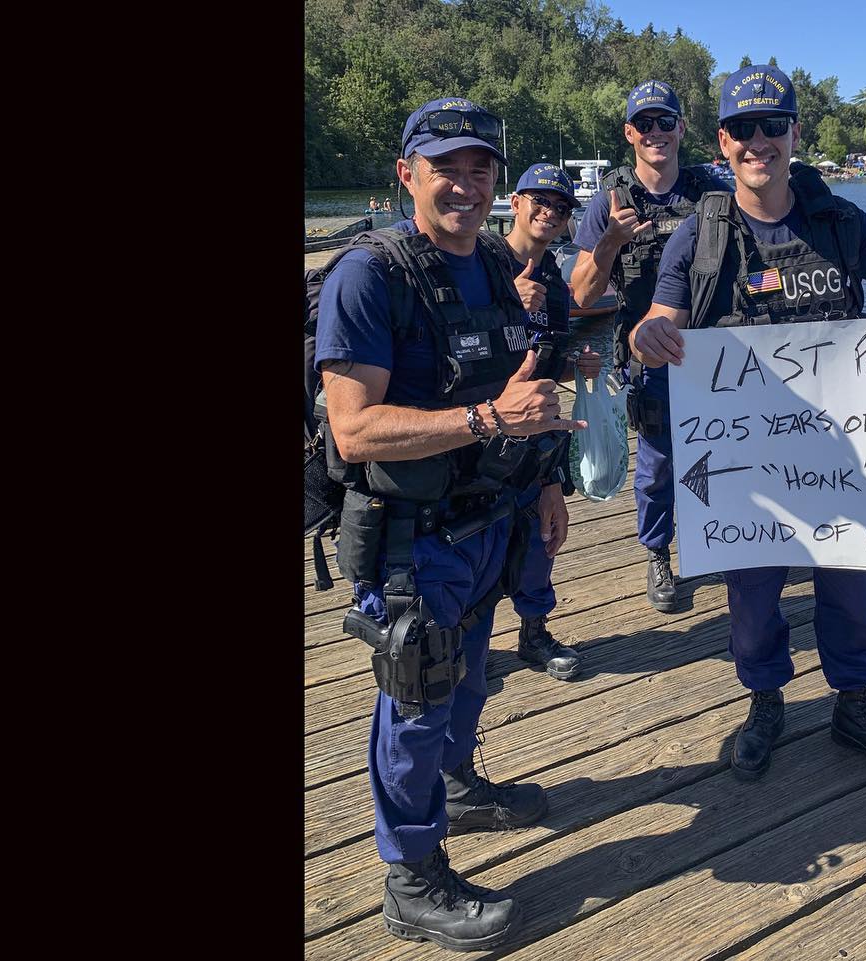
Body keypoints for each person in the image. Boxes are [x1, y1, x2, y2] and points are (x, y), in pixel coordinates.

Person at [629, 65, 866, 784]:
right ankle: (765, 702)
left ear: (794, 133)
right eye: (743, 128)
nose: (758, 141)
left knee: (852, 589)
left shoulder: (839, 222)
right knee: (752, 598)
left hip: (843, 457)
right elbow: (656, 323)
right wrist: (647, 337)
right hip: (747, 469)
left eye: (773, 125)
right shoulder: (699, 238)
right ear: (722, 141)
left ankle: (856, 703)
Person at [314, 97, 587, 951]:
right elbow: (354, 429)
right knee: (417, 699)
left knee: (468, 681)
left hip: (488, 521)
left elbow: (523, 385)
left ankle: (460, 787)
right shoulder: (370, 276)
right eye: (446, 169)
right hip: (411, 539)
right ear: (407, 175)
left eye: (480, 169)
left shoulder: (498, 268)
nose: (465, 186)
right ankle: (410, 878)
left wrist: (545, 480)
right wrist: (487, 420)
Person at [571, 79, 730, 615]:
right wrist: (611, 240)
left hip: (713, 354)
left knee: (723, 452)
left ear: (682, 128)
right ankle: (658, 552)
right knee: (658, 465)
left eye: (666, 121)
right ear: (629, 133)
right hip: (649, 358)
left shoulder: (712, 191)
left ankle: (724, 542)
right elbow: (581, 294)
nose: (655, 132)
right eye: (645, 123)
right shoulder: (611, 200)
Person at [490, 163, 604, 680]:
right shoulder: (481, 264)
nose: (549, 212)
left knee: (541, 536)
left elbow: (549, 355)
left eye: (560, 207)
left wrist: (577, 365)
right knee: (475, 541)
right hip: (480, 428)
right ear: (515, 203)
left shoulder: (555, 280)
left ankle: (534, 633)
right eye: (540, 201)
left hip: (536, 434)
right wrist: (508, 303)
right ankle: (464, 642)